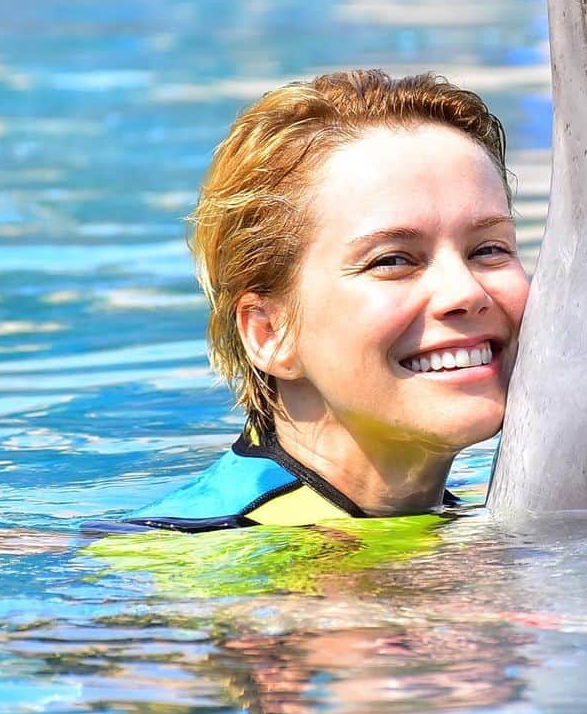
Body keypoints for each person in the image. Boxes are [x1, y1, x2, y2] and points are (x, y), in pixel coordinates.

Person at [96, 70, 529, 533]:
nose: (465, 292)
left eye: (489, 249)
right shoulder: (195, 555)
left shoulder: (449, 519)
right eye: (393, 260)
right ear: (269, 333)